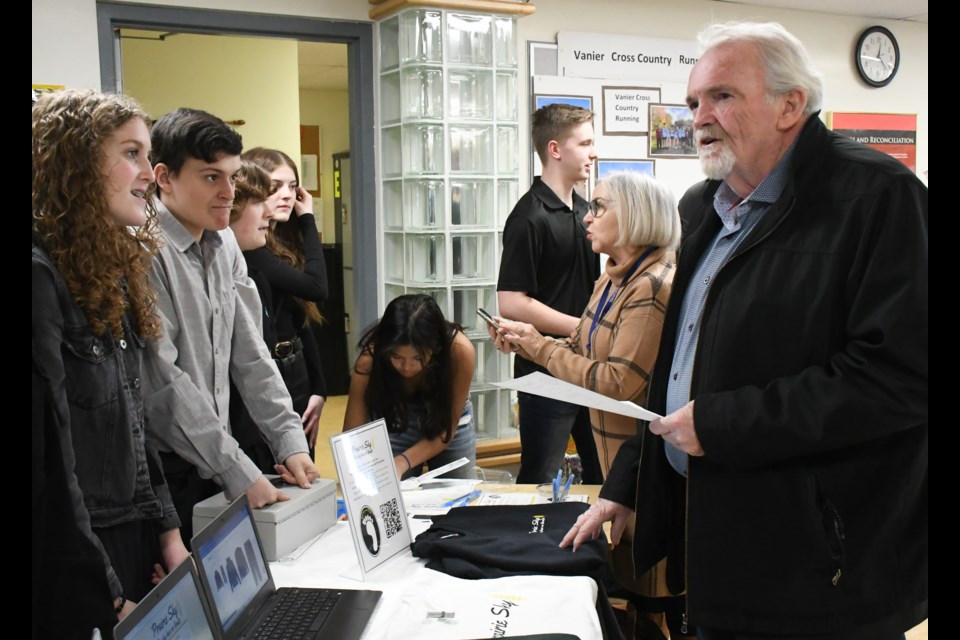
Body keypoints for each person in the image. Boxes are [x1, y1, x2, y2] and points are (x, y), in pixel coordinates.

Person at [562, 21, 928, 640]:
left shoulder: (878, 198)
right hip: (716, 552)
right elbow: (680, 368)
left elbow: (899, 378)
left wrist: (722, 424)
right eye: (692, 102)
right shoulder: (703, 207)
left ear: (791, 105)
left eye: (722, 96)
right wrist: (629, 482)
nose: (699, 117)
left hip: (823, 577)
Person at [490, 170, 685, 640]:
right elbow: (579, 346)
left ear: (636, 216)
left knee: (652, 587)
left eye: (599, 208)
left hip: (645, 458)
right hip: (615, 452)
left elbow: (619, 381)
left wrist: (540, 348)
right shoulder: (612, 279)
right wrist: (527, 340)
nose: (587, 219)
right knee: (626, 572)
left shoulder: (653, 284)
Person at [32, 89, 189, 631]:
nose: (149, 172)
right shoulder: (40, 278)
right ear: (74, 165)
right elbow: (53, 467)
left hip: (130, 534)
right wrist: (107, 594)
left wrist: (168, 531)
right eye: (131, 154)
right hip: (78, 563)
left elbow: (135, 421)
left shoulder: (105, 267)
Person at [142, 107, 318, 543]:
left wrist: (288, 441)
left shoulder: (223, 244)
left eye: (233, 176)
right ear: (164, 177)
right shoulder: (144, 252)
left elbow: (251, 354)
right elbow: (164, 384)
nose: (228, 192)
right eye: (210, 177)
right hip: (167, 470)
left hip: (217, 456)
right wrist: (235, 468)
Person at [497, 103, 603, 485]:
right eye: (586, 143)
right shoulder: (529, 217)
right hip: (543, 374)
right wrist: (583, 328)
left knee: (604, 475)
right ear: (555, 149)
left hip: (588, 368)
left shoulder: (587, 212)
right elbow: (511, 303)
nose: (594, 152)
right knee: (540, 478)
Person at [237, 147, 329, 462]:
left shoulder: (278, 245)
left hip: (295, 370)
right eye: (275, 186)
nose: (287, 195)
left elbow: (302, 321)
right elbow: (317, 288)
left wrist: (319, 389)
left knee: (303, 460)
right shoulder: (250, 247)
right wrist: (308, 219)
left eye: (293, 186)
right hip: (267, 376)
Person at [343, 294, 477, 480]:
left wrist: (402, 461)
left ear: (436, 347)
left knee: (459, 496)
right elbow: (352, 437)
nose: (406, 367)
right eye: (396, 357)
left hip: (446, 419)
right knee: (391, 492)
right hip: (396, 415)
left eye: (417, 358)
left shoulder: (460, 351)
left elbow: (447, 430)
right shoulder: (370, 361)